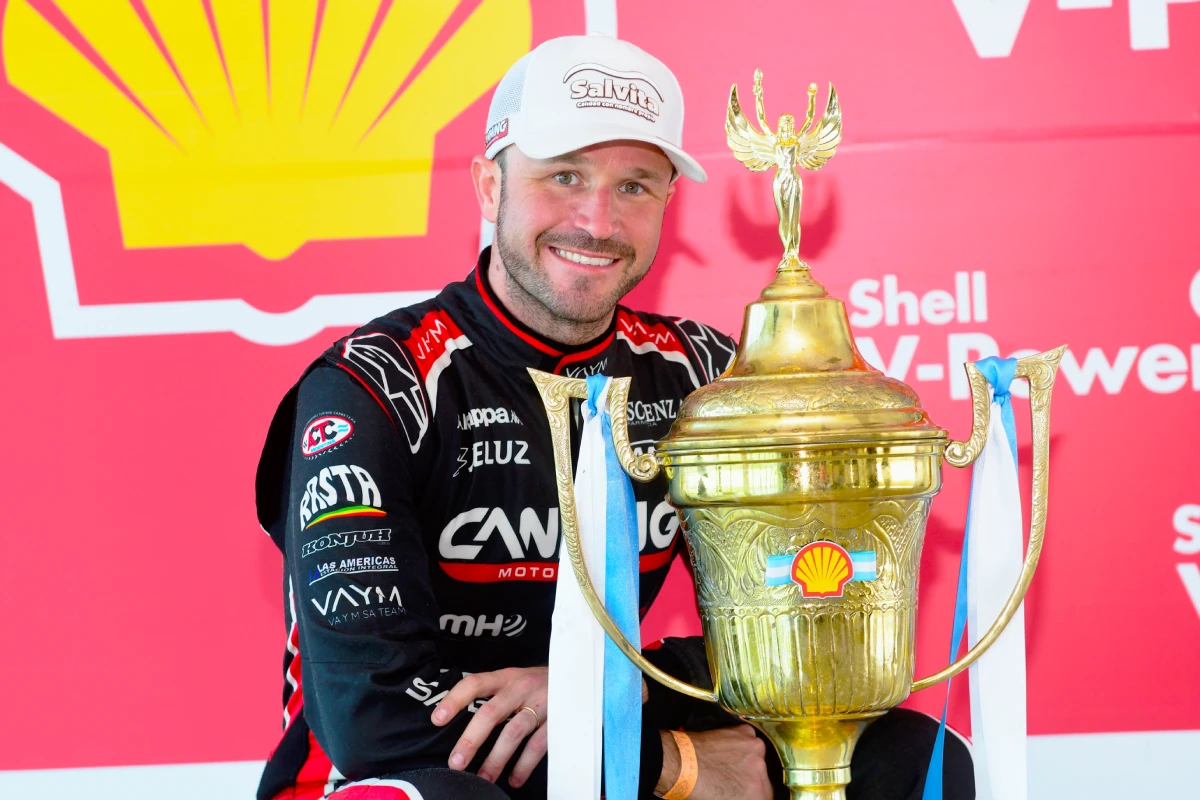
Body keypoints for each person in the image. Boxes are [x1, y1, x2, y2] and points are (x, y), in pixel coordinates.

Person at [254, 35, 974, 800]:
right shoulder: (376, 384)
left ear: (669, 201)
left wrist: (605, 690)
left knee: (912, 757)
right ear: (489, 187)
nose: (597, 222)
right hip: (419, 773)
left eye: (634, 186)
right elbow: (372, 713)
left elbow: (810, 627)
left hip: (614, 739)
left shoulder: (704, 378)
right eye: (564, 177)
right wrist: (670, 763)